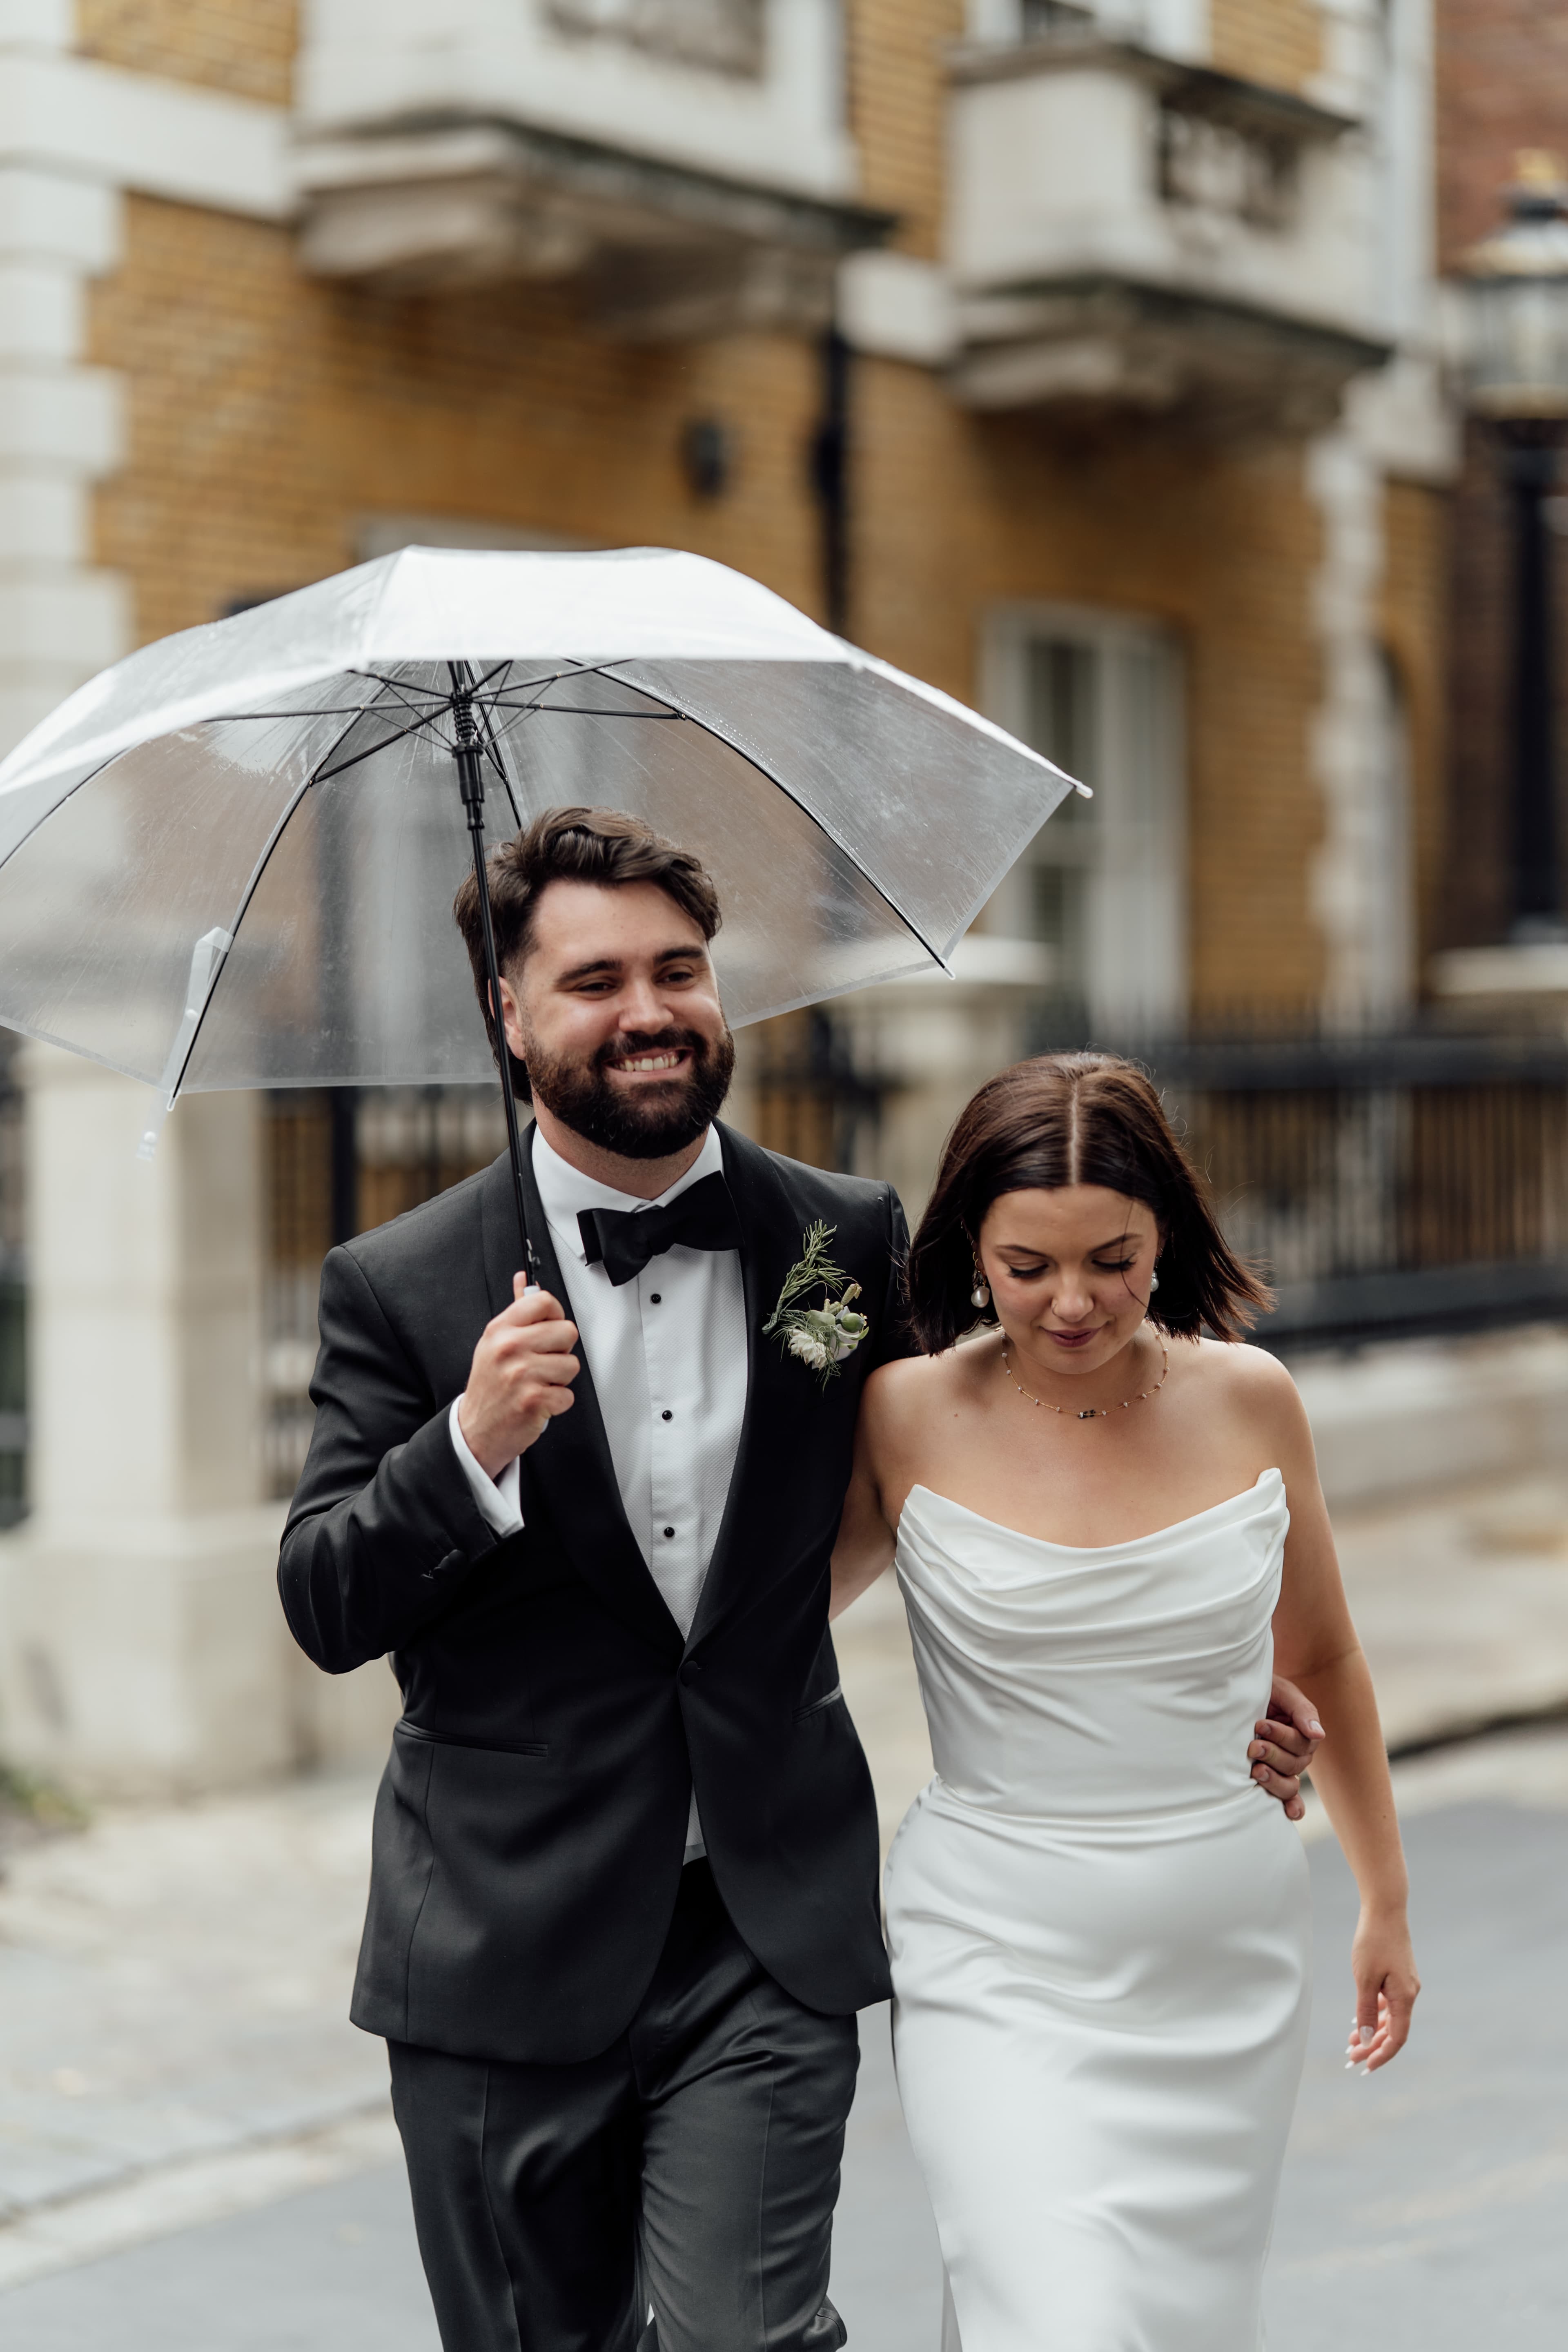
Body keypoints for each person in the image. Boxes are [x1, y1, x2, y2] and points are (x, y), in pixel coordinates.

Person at [280, 814, 1321, 2352]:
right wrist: (468, 1444)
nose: (650, 1011)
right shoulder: (404, 1286)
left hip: (764, 1926)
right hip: (505, 1942)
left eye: (681, 969)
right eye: (595, 980)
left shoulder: (835, 1245)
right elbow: (325, 1603)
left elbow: (978, 1474)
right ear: (510, 1012)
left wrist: (1194, 1685)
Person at [831, 1052, 1421, 2352]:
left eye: (1114, 1257)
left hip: (1221, 1959)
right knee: (1058, 2312)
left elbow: (1321, 1657)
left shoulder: (1252, 1401)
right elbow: (753, 1634)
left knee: (1152, 2324)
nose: (1074, 1301)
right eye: (1026, 1265)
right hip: (993, 1948)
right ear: (972, 1250)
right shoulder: (904, 1412)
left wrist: (1384, 1899)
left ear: (1169, 1236)